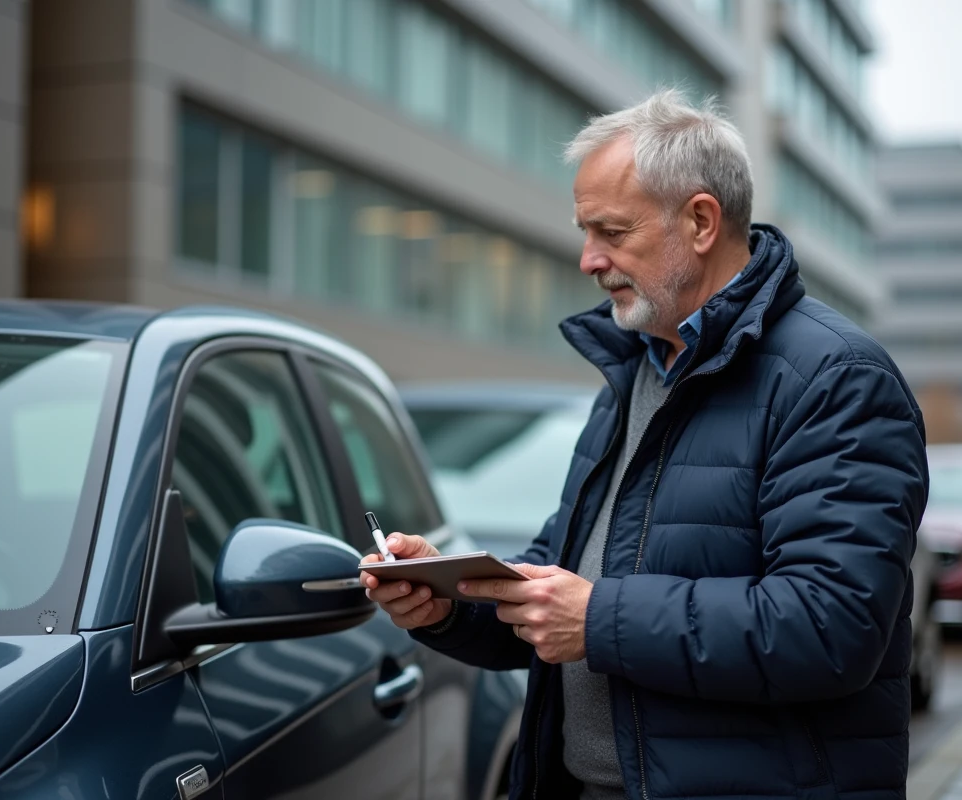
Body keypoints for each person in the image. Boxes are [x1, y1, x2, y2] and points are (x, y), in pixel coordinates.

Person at [361, 89, 929, 800]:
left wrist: (599, 619)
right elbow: (558, 575)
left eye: (611, 231)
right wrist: (451, 597)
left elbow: (829, 626)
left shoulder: (835, 377)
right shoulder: (637, 372)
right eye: (584, 231)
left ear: (699, 221)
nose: (588, 260)